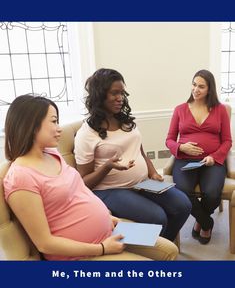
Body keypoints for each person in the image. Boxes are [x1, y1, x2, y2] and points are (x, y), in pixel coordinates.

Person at [3, 94, 178, 261]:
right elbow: (45, 243)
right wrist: (102, 248)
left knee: (170, 250)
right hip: (84, 253)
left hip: (110, 229)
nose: (59, 129)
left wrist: (108, 218)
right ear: (31, 125)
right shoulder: (21, 177)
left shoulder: (51, 154)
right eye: (54, 121)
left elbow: (77, 193)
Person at [74, 68, 191, 242]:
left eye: (122, 93)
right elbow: (83, 183)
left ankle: (162, 248)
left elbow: (140, 150)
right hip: (110, 190)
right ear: (99, 95)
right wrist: (107, 166)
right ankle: (148, 250)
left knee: (183, 205)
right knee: (157, 217)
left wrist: (152, 172)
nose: (120, 98)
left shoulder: (126, 121)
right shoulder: (87, 134)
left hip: (142, 183)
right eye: (114, 93)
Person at [166, 69, 232, 244]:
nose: (196, 89)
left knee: (211, 193)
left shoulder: (220, 110)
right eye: (194, 85)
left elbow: (227, 141)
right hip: (185, 161)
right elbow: (169, 140)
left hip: (212, 162)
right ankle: (206, 222)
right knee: (182, 193)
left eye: (201, 86)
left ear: (209, 89)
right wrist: (182, 147)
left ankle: (200, 220)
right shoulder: (180, 109)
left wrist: (214, 156)